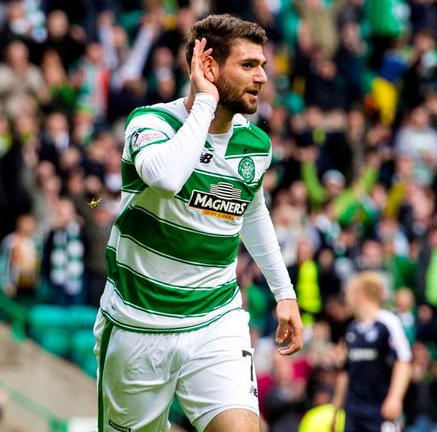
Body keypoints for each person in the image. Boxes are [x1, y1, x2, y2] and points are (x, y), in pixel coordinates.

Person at [94, 14, 303, 432]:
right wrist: (205, 101)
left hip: (215, 319)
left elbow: (252, 211)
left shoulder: (255, 144)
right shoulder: (151, 123)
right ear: (208, 66)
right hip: (139, 325)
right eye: (248, 65)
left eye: (262, 65)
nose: (262, 77)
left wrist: (285, 292)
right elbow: (166, 178)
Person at [332, 272, 412, 432]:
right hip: (354, 412)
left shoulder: (388, 323)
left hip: (380, 410)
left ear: (359, 294)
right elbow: (345, 372)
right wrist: (335, 410)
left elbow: (403, 361)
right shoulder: (351, 329)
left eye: (347, 294)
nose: (345, 299)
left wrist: (395, 398)